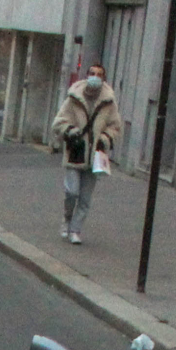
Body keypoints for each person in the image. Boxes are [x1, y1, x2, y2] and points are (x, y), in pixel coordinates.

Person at [50, 63, 123, 246]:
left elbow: (115, 126)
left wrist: (105, 138)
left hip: (95, 155)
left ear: (103, 79)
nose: (95, 77)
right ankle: (66, 219)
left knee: (85, 198)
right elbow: (58, 122)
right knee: (72, 192)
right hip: (76, 151)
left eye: (99, 74)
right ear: (86, 75)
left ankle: (75, 230)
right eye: (92, 73)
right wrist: (71, 131)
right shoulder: (74, 97)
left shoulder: (109, 101)